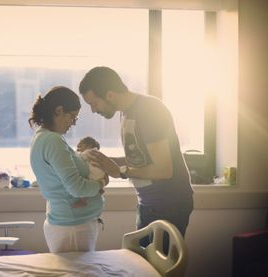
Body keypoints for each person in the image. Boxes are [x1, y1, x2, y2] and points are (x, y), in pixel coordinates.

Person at [78, 66, 194, 248]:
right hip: (148, 204)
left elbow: (164, 170)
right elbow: (141, 158)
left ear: (109, 95)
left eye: (94, 103)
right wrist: (107, 162)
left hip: (169, 204)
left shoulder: (149, 110)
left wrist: (120, 171)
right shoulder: (125, 113)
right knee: (141, 263)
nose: (93, 110)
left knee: (157, 270)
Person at [29, 86, 108, 253]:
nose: (73, 123)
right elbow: (76, 187)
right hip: (73, 228)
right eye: (73, 117)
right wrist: (100, 184)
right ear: (59, 111)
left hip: (70, 223)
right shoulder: (52, 141)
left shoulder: (43, 137)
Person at [73, 136, 105, 208]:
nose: (78, 149)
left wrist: (74, 154)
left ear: (89, 146)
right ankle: (100, 190)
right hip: (100, 174)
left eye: (80, 147)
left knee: (84, 185)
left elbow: (80, 157)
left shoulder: (89, 152)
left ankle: (82, 200)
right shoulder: (96, 152)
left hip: (94, 174)